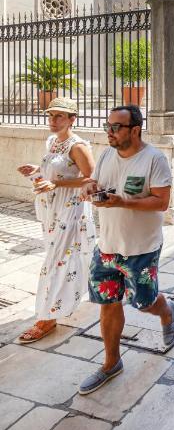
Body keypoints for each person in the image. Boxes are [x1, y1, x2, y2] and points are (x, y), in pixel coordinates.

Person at [78, 104, 174, 395]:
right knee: (108, 305)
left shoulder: (154, 159)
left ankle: (166, 310)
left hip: (141, 249)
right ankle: (111, 363)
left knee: (144, 302)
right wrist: (89, 187)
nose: (109, 131)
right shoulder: (108, 153)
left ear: (135, 130)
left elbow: (161, 202)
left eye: (116, 127)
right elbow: (98, 182)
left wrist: (122, 202)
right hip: (107, 246)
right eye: (107, 125)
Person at [16, 97, 96, 343]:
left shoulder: (78, 146)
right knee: (60, 258)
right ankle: (72, 297)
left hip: (70, 209)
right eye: (51, 115)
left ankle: (47, 318)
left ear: (73, 119)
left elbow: (91, 179)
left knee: (56, 261)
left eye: (59, 116)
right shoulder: (51, 141)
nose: (53, 120)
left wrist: (56, 183)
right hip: (52, 209)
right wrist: (38, 171)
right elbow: (54, 169)